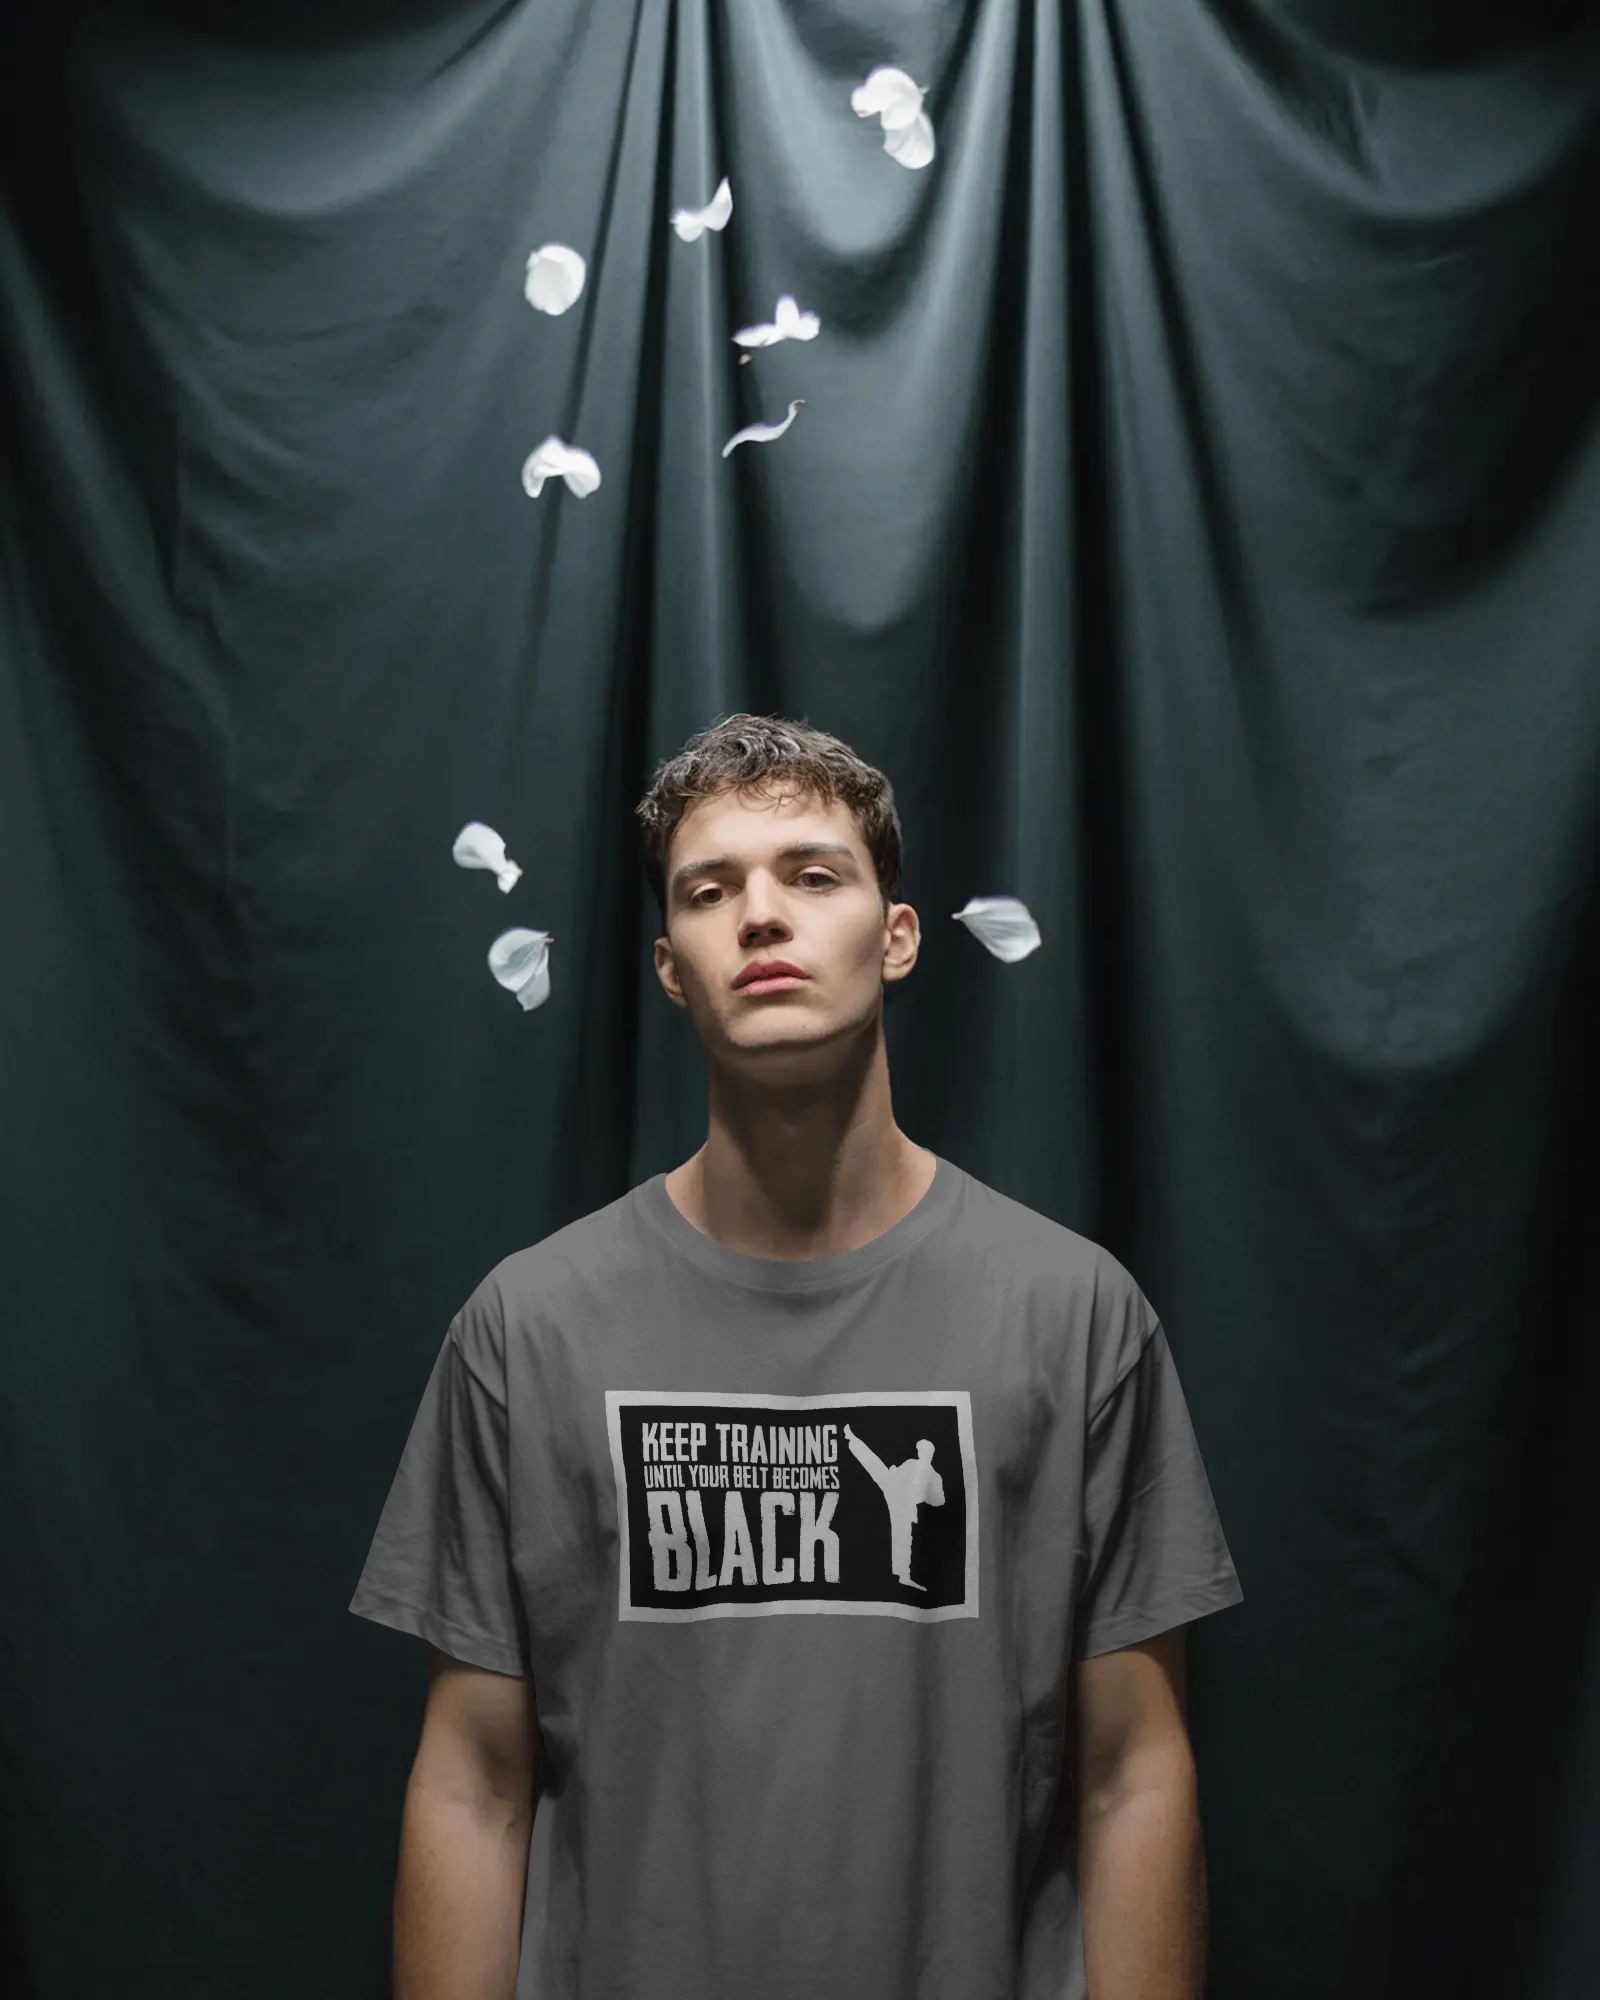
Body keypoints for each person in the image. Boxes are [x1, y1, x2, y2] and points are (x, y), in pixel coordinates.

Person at [349, 712, 1244, 2000]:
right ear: (672, 968)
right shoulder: (526, 1326)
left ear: (898, 936)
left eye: (813, 876)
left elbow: (1132, 1776)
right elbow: (473, 1785)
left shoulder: (1073, 1310)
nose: (761, 917)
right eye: (710, 891)